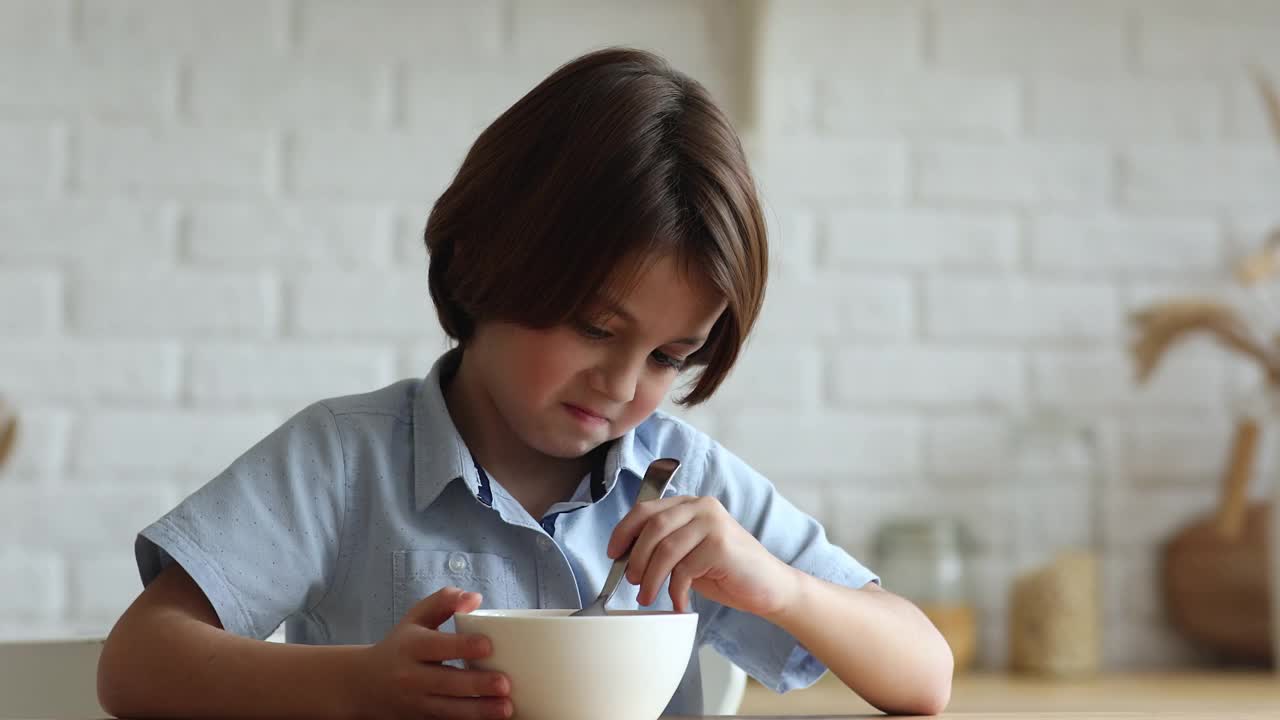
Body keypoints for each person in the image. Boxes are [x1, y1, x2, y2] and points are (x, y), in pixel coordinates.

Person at [97, 47, 952, 719]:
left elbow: (925, 674)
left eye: (668, 357)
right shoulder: (342, 459)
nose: (623, 383)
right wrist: (357, 686)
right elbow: (137, 662)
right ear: (485, 263)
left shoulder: (684, 487)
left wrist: (784, 587)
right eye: (595, 328)